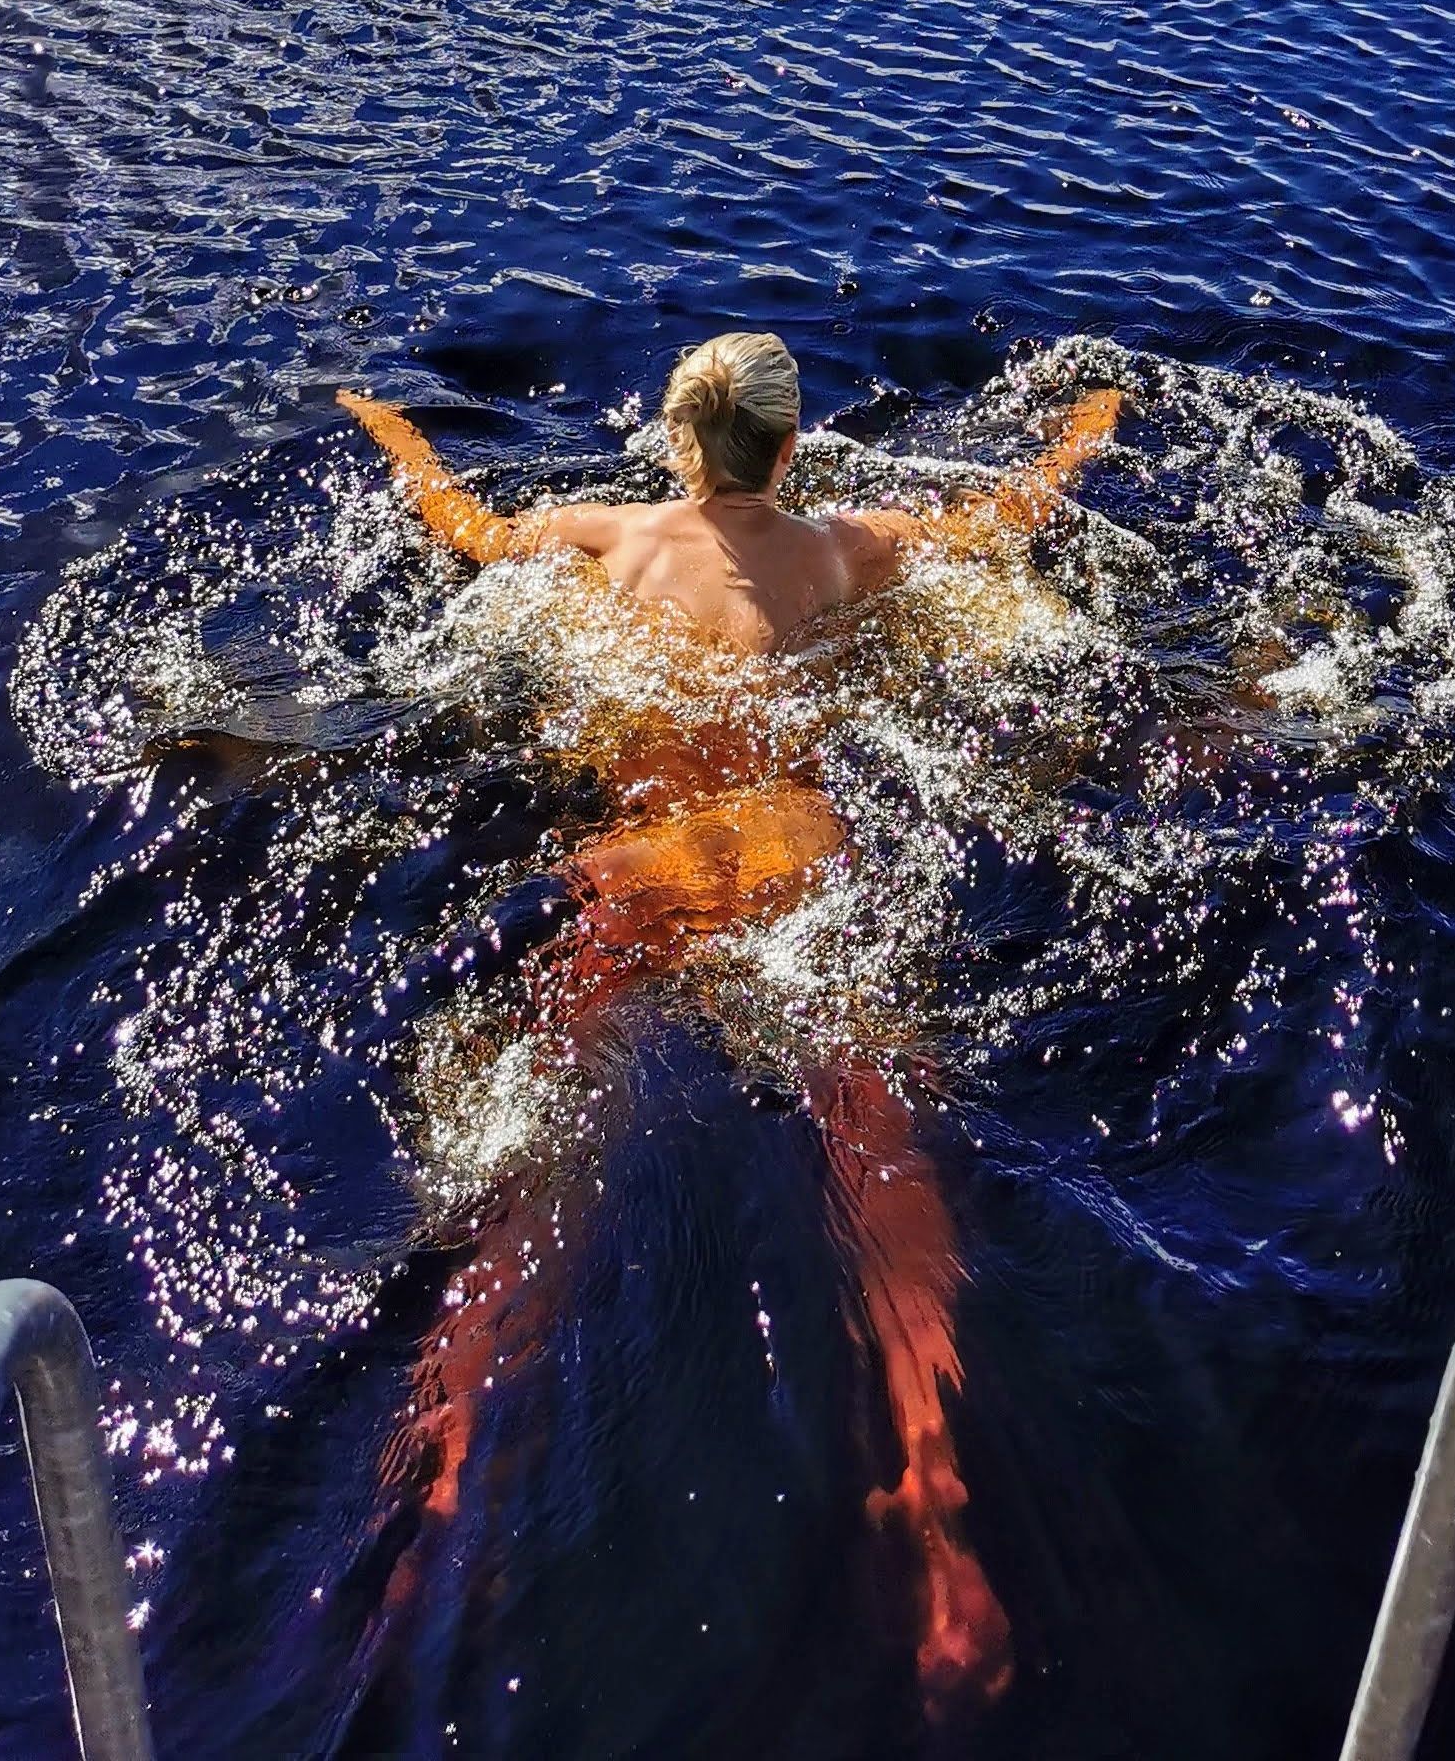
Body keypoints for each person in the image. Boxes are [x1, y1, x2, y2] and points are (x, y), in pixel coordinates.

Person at [333, 336, 1123, 1718]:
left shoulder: (605, 538)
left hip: (642, 871)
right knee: (878, 1154)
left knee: (536, 1160)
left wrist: (398, 438)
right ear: (792, 449)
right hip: (796, 858)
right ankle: (935, 1496)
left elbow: (460, 530)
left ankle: (450, 1454)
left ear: (678, 449)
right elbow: (1008, 523)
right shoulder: (848, 548)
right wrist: (1081, 435)